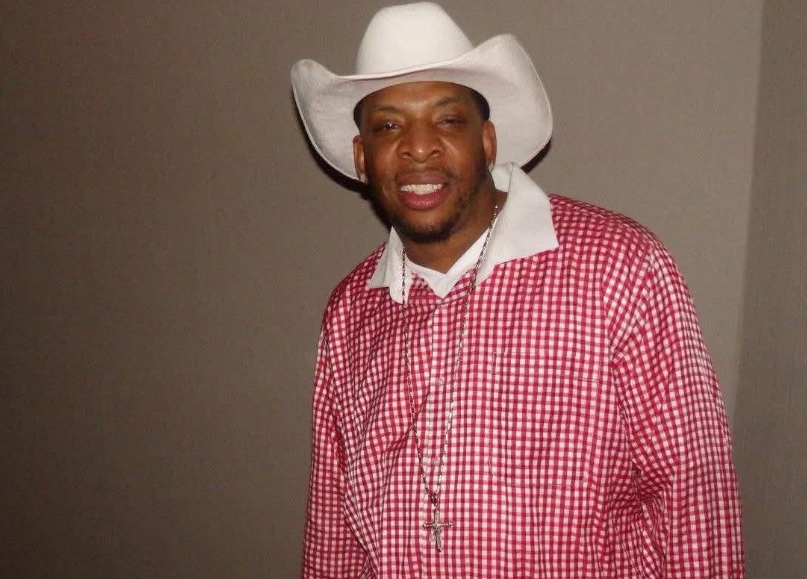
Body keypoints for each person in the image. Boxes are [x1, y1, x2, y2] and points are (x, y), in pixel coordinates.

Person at [290, 3, 745, 577]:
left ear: (487, 141)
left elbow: (693, 501)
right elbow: (335, 532)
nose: (419, 147)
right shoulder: (351, 311)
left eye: (447, 120)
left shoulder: (619, 268)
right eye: (388, 126)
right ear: (362, 156)